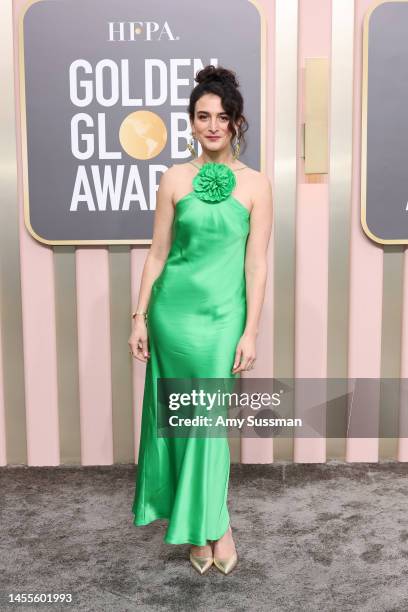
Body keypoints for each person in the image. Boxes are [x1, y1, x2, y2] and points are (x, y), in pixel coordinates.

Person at [128, 64, 273, 575]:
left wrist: (250, 329)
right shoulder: (173, 178)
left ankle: (216, 526)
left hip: (223, 318)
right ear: (191, 122)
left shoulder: (256, 185)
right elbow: (157, 254)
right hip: (174, 315)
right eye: (202, 116)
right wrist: (140, 316)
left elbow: (256, 265)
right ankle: (210, 527)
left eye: (222, 117)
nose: (212, 125)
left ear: (236, 123)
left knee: (207, 425)